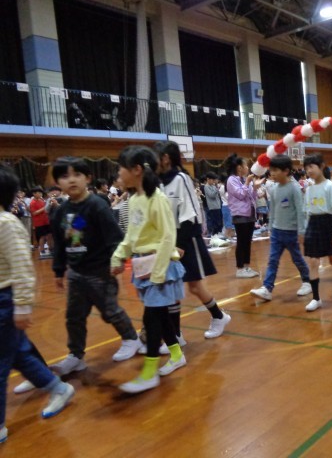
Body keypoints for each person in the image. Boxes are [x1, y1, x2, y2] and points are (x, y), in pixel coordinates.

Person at [0, 165, 75, 444]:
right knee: (19, 353)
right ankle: (58, 388)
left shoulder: (6, 224)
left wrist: (21, 305)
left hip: (5, 299)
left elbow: (22, 267)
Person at [48, 157, 141, 376]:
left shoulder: (97, 205)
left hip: (100, 271)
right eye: (65, 176)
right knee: (74, 316)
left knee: (110, 311)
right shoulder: (61, 211)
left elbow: (114, 237)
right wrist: (59, 270)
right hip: (76, 273)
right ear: (58, 183)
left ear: (88, 178)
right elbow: (60, 243)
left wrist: (117, 261)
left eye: (77, 175)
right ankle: (75, 356)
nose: (72, 180)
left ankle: (131, 338)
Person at [111, 146, 187, 394]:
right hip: (143, 267)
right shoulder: (134, 200)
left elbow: (168, 237)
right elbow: (131, 237)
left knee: (151, 318)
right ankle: (176, 355)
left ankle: (149, 373)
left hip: (160, 268)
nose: (118, 174)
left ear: (136, 170)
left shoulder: (158, 199)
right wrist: (118, 256)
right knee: (161, 316)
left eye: (121, 168)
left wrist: (158, 273)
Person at [154, 141, 231, 344]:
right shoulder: (159, 183)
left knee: (195, 286)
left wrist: (181, 244)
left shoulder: (181, 178)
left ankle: (219, 317)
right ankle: (176, 334)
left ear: (165, 158)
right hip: (169, 241)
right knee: (172, 286)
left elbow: (191, 213)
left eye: (156, 156)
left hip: (187, 239)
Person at [249, 155, 311, 302]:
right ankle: (267, 288)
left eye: (275, 170)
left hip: (291, 232)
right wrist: (271, 228)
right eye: (271, 170)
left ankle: (307, 281)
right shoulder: (274, 188)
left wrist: (301, 231)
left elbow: (300, 211)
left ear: (286, 171)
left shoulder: (294, 188)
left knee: (297, 259)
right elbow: (273, 210)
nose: (272, 173)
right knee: (273, 260)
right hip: (277, 232)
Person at [302, 154, 332, 311]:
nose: (309, 170)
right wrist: (304, 231)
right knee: (313, 261)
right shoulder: (309, 189)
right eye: (306, 168)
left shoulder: (331, 186)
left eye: (311, 166)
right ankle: (316, 298)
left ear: (321, 166)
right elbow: (307, 211)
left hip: (328, 224)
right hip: (313, 224)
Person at [224, 154, 262, 278]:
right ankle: (240, 269)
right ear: (239, 167)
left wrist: (255, 188)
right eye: (245, 165)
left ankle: (247, 267)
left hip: (250, 214)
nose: (247, 168)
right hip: (240, 215)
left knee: (247, 242)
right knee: (241, 241)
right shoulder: (231, 180)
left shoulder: (244, 179)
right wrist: (247, 182)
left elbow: (253, 196)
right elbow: (240, 195)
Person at [29, 186, 53, 259]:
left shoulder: (42, 201)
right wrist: (44, 208)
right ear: (34, 194)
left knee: (49, 235)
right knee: (42, 237)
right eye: (38, 193)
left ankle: (50, 250)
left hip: (46, 221)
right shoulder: (32, 202)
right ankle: (42, 251)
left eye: (41, 193)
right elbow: (34, 213)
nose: (40, 194)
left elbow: (46, 210)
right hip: (39, 223)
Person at [204, 172, 223, 238]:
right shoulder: (206, 187)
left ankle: (219, 234)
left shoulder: (213, 186)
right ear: (208, 179)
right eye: (212, 180)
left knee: (219, 222)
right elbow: (211, 195)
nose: (214, 181)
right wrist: (217, 189)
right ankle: (215, 235)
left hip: (218, 206)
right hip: (212, 207)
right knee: (215, 223)